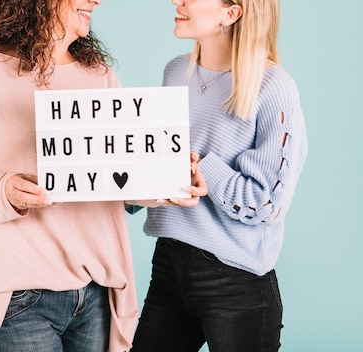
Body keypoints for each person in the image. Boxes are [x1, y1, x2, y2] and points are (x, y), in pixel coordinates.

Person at [0, 0, 204, 351]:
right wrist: (1, 190)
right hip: (17, 298)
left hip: (96, 293)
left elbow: (111, 180)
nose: (96, 0)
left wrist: (165, 180)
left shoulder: (100, 76)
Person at [129, 0, 308, 351]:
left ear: (231, 13)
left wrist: (204, 168)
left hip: (235, 283)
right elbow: (158, 166)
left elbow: (268, 203)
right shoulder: (175, 72)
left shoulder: (273, 86)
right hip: (169, 267)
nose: (177, 2)